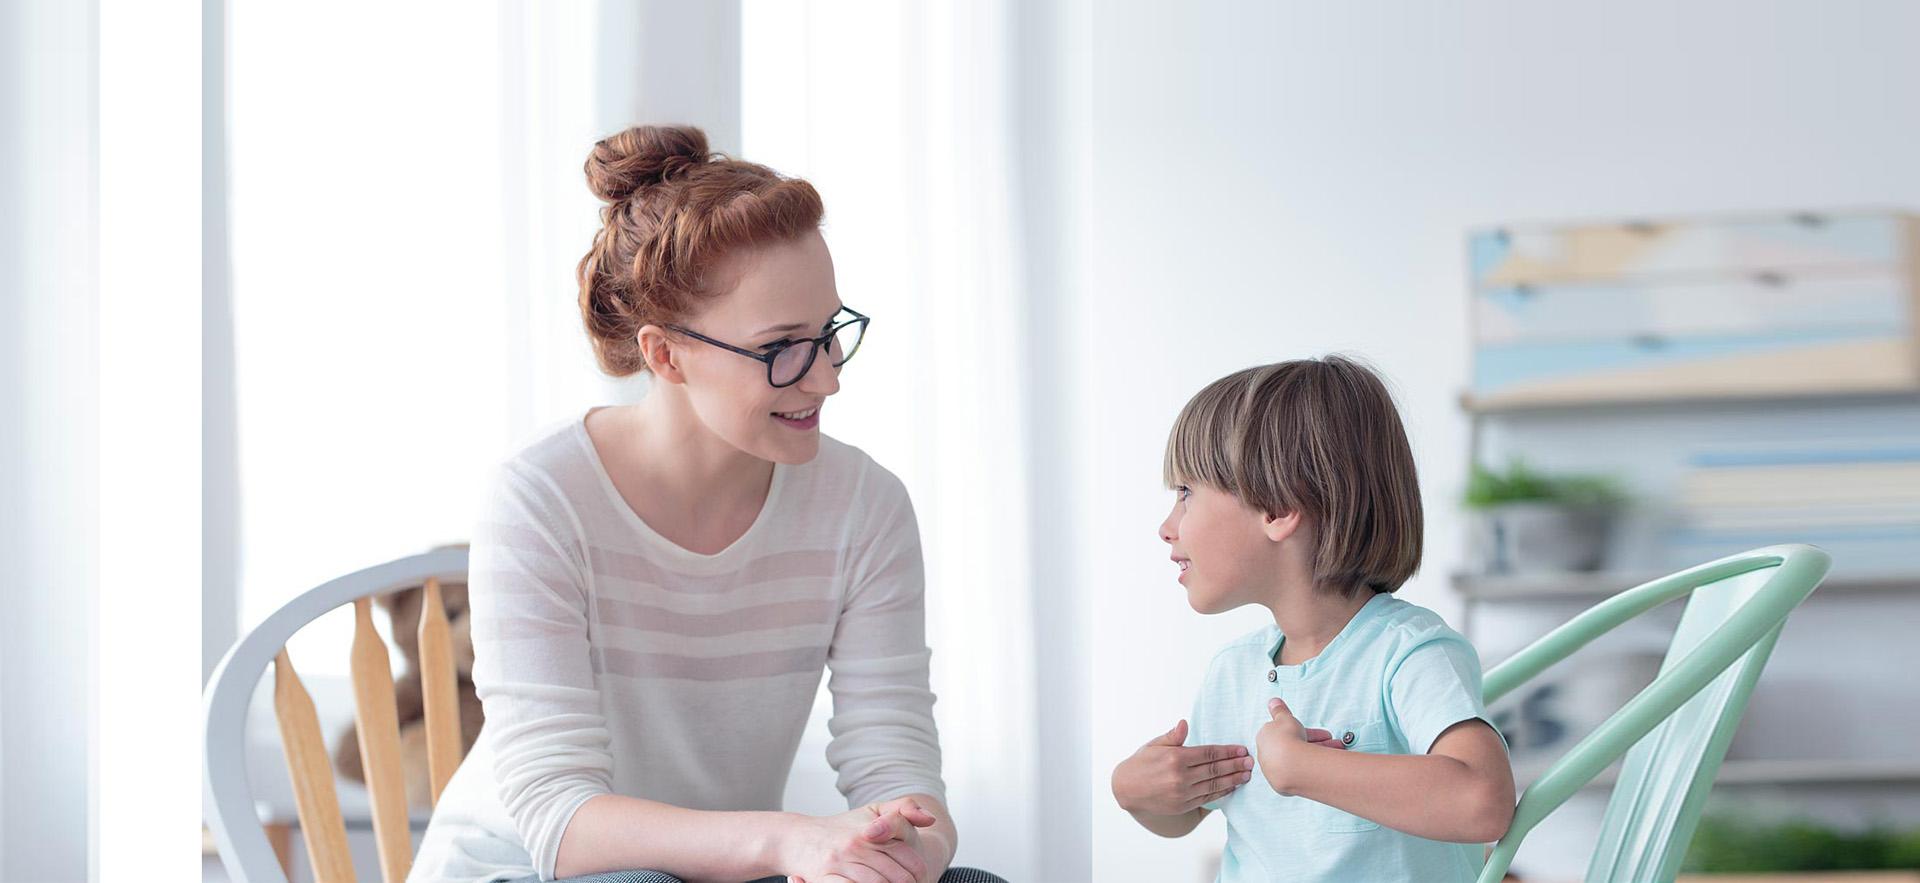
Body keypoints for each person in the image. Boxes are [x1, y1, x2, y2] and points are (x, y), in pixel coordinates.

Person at [408, 124, 1003, 883]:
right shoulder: (540, 499)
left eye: (830, 334)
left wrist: (904, 843)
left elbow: (896, 761)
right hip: (523, 870)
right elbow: (560, 822)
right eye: (783, 347)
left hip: (724, 872)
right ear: (664, 353)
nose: (826, 379)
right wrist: (791, 839)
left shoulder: (865, 507)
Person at [1110, 355, 1515, 882]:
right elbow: (1185, 813)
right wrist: (1138, 792)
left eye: (1186, 493)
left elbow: (1482, 802)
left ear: (1277, 508)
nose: (1168, 526)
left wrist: (1305, 769)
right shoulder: (1233, 671)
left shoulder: (1408, 651)